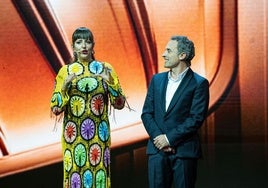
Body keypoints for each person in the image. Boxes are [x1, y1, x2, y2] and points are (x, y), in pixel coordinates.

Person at [50, 27, 126, 188]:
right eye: (79, 42)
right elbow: (56, 109)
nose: (84, 45)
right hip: (74, 138)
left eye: (88, 41)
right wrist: (64, 87)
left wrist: (111, 83)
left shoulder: (106, 68)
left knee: (99, 177)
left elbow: (119, 104)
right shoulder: (65, 71)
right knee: (75, 178)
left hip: (99, 135)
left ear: (93, 45)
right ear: (73, 47)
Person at [141, 36, 209, 188]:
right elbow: (146, 113)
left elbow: (195, 119)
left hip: (184, 152)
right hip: (157, 152)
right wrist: (160, 139)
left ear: (182, 55)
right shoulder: (156, 80)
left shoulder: (199, 83)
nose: (163, 54)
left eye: (168, 50)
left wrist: (169, 139)